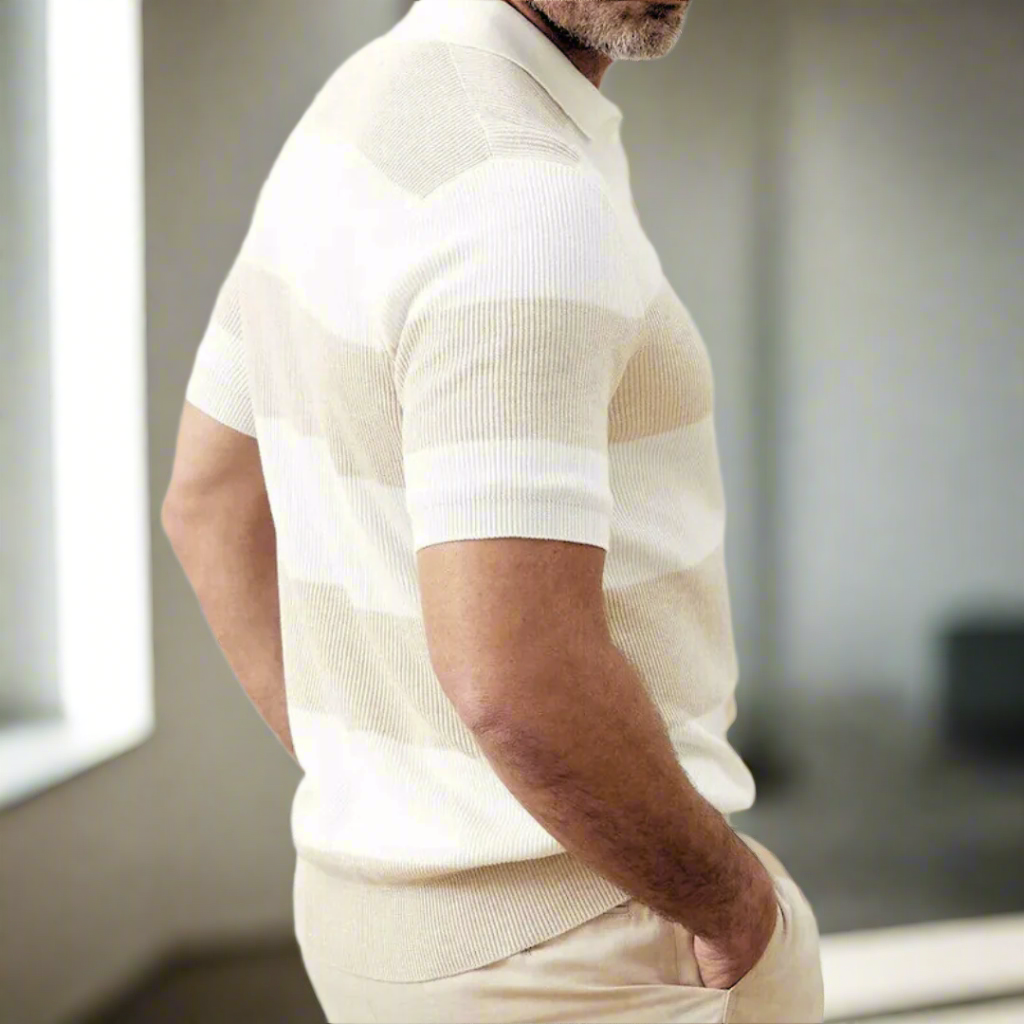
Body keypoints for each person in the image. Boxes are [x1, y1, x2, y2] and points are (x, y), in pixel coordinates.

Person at [162, 2, 825, 1021]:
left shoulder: (351, 115)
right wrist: (731, 902)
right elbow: (519, 675)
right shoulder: (520, 193)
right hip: (582, 943)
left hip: (385, 935)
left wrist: (400, 789)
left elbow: (207, 504)